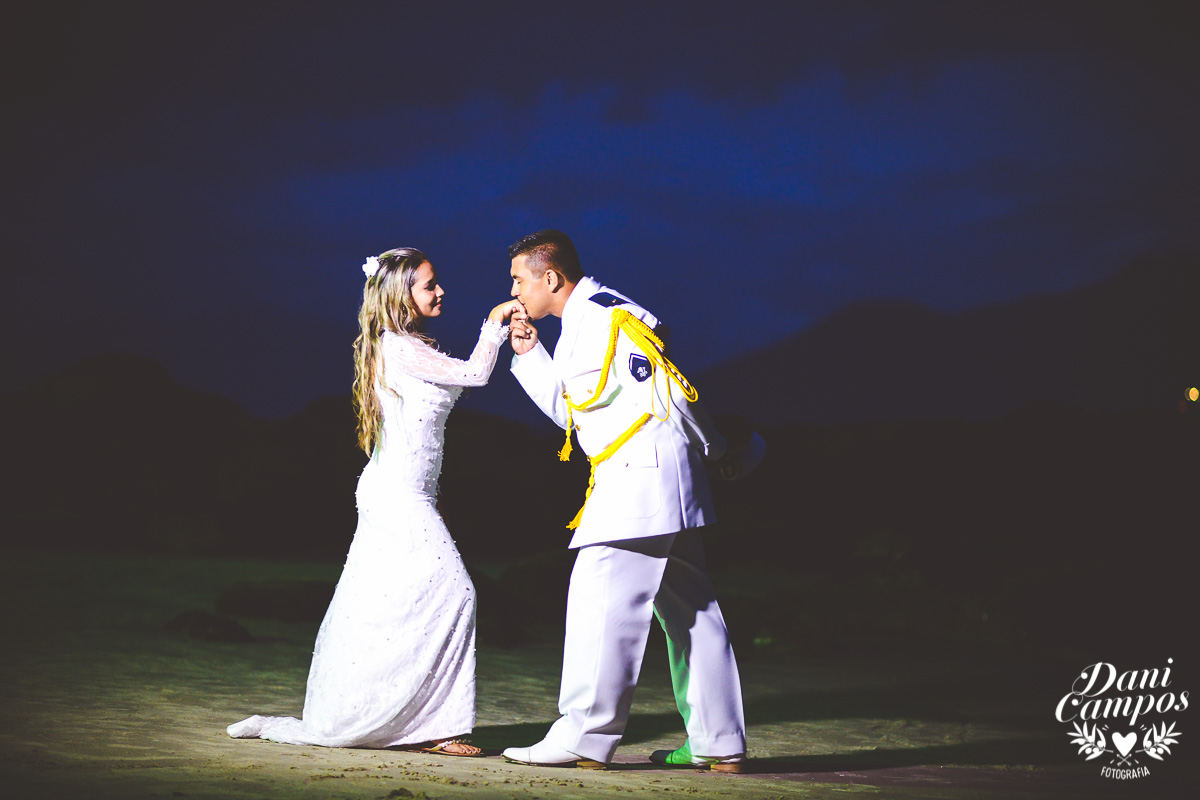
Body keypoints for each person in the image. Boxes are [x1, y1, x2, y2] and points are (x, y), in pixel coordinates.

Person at [227, 248, 520, 756]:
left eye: (437, 282)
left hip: (407, 492)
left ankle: (412, 722)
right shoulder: (398, 347)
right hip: (395, 494)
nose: (440, 291)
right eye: (429, 285)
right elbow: (475, 374)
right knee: (457, 593)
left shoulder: (406, 345)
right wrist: (494, 325)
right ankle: (435, 727)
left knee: (392, 604)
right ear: (401, 294)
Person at [500, 230, 747, 771]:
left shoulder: (608, 315)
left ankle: (584, 736)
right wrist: (529, 352)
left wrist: (717, 449)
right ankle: (719, 741)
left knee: (600, 601)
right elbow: (575, 414)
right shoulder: (581, 323)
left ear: (550, 277)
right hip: (652, 482)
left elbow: (670, 389)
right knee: (692, 613)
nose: (514, 291)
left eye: (518, 279)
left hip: (640, 481)